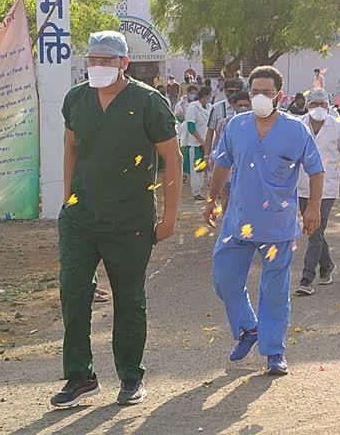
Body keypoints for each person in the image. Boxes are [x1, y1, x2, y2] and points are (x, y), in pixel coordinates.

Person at [51, 31, 181, 407]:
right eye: (92, 60)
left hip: (130, 221)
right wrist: (66, 201)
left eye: (107, 60)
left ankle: (131, 376)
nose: (98, 67)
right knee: (73, 292)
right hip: (80, 219)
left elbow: (171, 160)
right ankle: (79, 375)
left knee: (128, 298)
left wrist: (170, 217)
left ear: (124, 63)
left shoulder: (148, 102)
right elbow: (71, 149)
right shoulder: (77, 99)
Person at [204, 66, 325, 376]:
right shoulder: (235, 127)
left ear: (279, 96)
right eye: (254, 91)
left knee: (274, 291)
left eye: (266, 93)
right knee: (225, 280)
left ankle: (274, 351)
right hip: (238, 222)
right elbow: (221, 164)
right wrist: (211, 199)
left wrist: (313, 208)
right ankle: (249, 329)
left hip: (277, 227)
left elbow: (316, 169)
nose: (259, 97)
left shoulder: (296, 130)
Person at [294, 89, 340, 296]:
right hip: (302, 185)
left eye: (322, 104)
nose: (318, 108)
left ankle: (307, 278)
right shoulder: (297, 125)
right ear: (306, 105)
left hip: (327, 188)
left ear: (328, 106)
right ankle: (327, 264)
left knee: (315, 231)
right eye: (314, 104)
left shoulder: (337, 126)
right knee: (313, 229)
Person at [210, 89, 252, 213]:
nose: (243, 108)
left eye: (246, 105)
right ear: (234, 106)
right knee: (227, 202)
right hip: (228, 173)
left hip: (248, 173)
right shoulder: (226, 124)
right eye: (240, 105)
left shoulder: (258, 126)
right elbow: (218, 148)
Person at [205, 77, 243, 162]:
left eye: (237, 91)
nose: (234, 94)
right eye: (231, 91)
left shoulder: (246, 107)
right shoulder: (217, 108)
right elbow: (209, 134)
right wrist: (207, 156)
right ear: (225, 91)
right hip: (221, 155)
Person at [186, 86, 212, 200]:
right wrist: (202, 141)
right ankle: (196, 192)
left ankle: (204, 190)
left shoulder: (210, 107)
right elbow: (191, 127)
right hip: (196, 144)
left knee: (204, 169)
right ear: (206, 97)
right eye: (210, 96)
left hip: (208, 143)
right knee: (196, 169)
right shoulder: (192, 107)